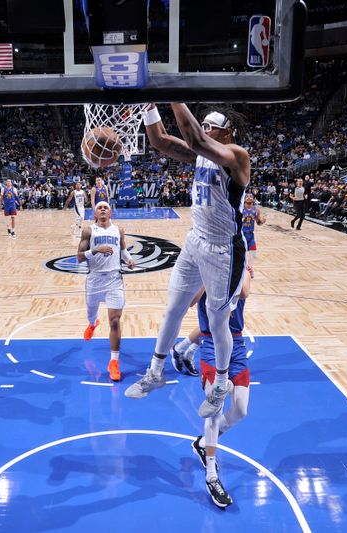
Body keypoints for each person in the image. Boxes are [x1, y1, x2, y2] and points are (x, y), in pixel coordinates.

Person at [125, 103, 250, 421]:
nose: (205, 129)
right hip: (195, 240)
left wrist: (173, 96)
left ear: (227, 132)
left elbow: (196, 140)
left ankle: (221, 383)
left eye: (211, 126)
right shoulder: (202, 155)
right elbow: (161, 142)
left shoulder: (237, 155)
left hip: (224, 250)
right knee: (173, 308)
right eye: (203, 124)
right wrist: (150, 108)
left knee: (217, 319)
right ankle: (155, 371)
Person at [191, 265, 252, 508]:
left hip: (236, 345)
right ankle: (211, 476)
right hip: (210, 344)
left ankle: (204, 443)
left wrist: (235, 267)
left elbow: (245, 291)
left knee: (241, 410)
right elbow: (191, 300)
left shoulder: (241, 264)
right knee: (215, 407)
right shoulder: (201, 270)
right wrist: (208, 276)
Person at [77, 201, 135, 381]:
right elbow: (79, 258)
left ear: (110, 213)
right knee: (90, 312)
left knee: (115, 320)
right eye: (99, 208)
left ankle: (114, 362)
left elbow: (123, 252)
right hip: (94, 279)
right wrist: (95, 250)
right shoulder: (88, 231)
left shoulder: (118, 230)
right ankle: (92, 324)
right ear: (95, 214)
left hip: (114, 279)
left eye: (106, 207)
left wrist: (129, 260)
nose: (102, 209)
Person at [241, 193, 265, 273]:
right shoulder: (240, 208)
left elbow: (258, 222)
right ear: (244, 199)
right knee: (242, 253)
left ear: (253, 199)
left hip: (250, 234)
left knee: (253, 253)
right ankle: (242, 270)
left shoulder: (257, 210)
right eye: (247, 196)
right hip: (241, 234)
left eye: (250, 196)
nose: (248, 197)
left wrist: (262, 222)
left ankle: (250, 269)